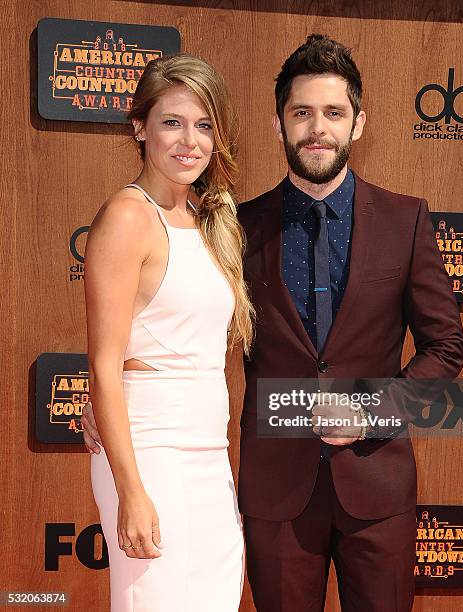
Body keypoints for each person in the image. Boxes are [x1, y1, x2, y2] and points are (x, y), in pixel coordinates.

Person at [84, 35, 463, 611]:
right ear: (278, 124)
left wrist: (371, 410)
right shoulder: (235, 227)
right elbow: (166, 317)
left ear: (357, 124)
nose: (318, 128)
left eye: (334, 113)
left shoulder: (405, 219)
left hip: (377, 487)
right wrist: (115, 390)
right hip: (273, 493)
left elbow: (445, 347)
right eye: (302, 113)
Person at [84, 53, 253, 612]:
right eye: (172, 122)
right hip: (150, 455)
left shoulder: (208, 220)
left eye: (204, 125)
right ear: (140, 127)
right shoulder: (128, 217)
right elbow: (105, 365)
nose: (190, 141)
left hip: (207, 455)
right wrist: (131, 489)